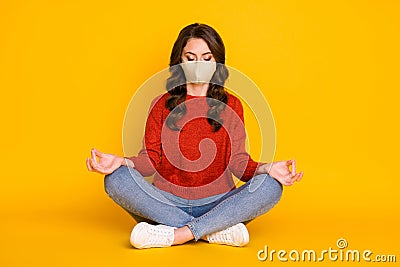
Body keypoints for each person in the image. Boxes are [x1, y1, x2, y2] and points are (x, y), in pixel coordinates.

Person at [86, 23, 304, 249]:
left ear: (217, 63)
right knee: (115, 179)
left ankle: (177, 233)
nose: (198, 65)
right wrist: (121, 162)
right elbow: (150, 161)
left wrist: (267, 168)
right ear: (179, 62)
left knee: (271, 186)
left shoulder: (232, 105)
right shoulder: (160, 105)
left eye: (207, 58)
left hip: (218, 204)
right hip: (166, 203)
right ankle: (213, 231)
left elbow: (239, 164)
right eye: (190, 58)